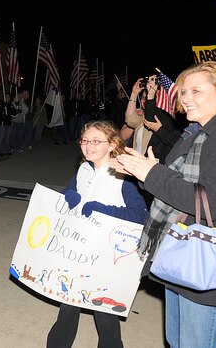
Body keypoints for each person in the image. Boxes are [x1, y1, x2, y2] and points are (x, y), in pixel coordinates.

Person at [109, 61, 216, 347]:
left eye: (196, 91)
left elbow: (209, 201)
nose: (185, 98)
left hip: (211, 265)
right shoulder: (195, 133)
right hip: (181, 253)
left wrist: (152, 174)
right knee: (176, 341)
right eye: (184, 91)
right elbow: (171, 184)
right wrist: (141, 170)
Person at [46, 120, 148, 348]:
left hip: (106, 255)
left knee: (104, 313)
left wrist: (103, 210)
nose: (88, 146)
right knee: (68, 304)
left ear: (112, 145)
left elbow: (141, 215)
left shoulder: (123, 176)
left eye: (95, 141)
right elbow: (71, 190)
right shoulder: (84, 168)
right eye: (84, 141)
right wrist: (68, 195)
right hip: (78, 249)